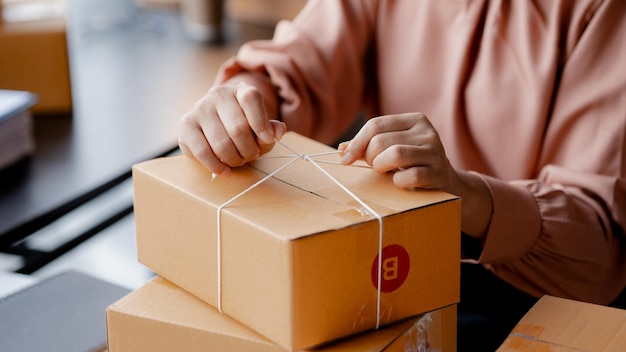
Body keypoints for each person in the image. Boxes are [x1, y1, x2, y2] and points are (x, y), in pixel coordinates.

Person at [178, 0, 626, 350]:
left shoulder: (602, 11)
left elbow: (596, 248)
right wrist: (240, 103)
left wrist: (460, 192)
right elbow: (292, 71)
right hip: (393, 259)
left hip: (529, 294)